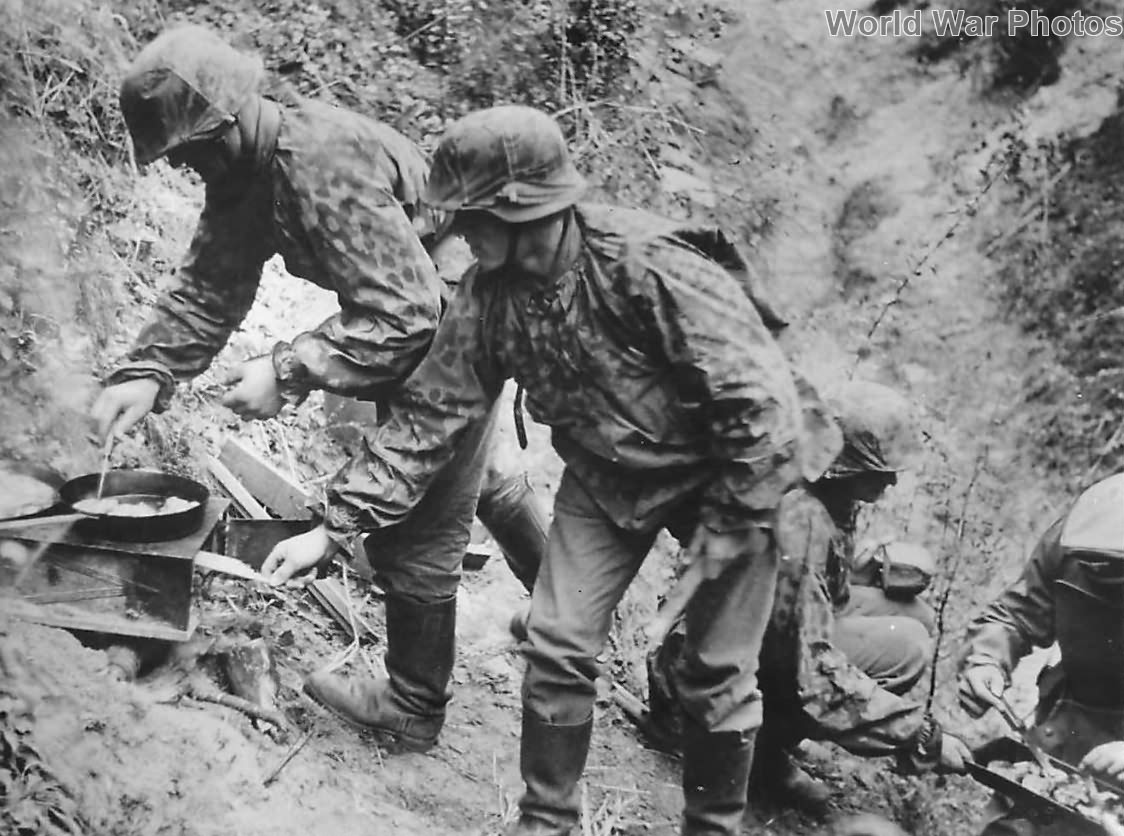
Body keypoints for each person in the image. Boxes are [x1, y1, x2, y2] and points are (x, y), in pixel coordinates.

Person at [260, 103, 842, 835]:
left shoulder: (647, 266)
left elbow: (762, 403)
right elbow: (428, 419)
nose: (459, 232)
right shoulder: (484, 300)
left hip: (727, 480)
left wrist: (729, 527)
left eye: (471, 216)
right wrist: (335, 526)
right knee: (559, 646)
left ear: (520, 211)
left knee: (715, 677)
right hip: (606, 479)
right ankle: (546, 820)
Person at [91, 25, 548, 753]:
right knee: (474, 473)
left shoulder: (317, 160)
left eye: (190, 152)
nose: (189, 169)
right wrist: (147, 372)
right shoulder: (247, 172)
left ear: (226, 126)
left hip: (458, 304)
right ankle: (567, 604)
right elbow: (209, 285)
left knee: (421, 515)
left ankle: (413, 704)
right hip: (426, 301)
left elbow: (406, 317)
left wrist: (289, 369)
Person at [647, 380, 965, 815]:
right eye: (880, 469)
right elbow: (815, 676)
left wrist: (864, 571)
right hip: (700, 689)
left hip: (738, 646)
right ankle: (754, 753)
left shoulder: (820, 490)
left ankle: (763, 738)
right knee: (907, 646)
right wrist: (921, 735)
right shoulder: (802, 519)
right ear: (846, 462)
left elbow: (813, 600)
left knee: (915, 617)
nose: (890, 481)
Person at [958, 472, 1124, 835]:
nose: (1098, 574)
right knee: (1022, 820)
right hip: (1072, 714)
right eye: (1091, 567)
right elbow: (1016, 612)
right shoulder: (1081, 534)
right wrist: (986, 658)